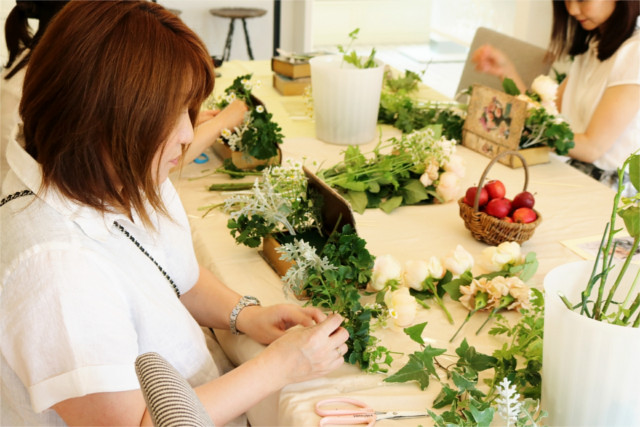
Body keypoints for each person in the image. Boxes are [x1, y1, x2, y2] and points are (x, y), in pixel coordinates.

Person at [0, 2, 349, 426]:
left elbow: (171, 272)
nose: (188, 135)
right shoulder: (57, 271)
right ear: (106, 119)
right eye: (174, 115)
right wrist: (279, 366)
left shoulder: (105, 175)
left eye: (190, 111)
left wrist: (248, 316)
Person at [0, 1, 246, 185]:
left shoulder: (33, 64)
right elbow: (135, 162)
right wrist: (221, 124)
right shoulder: (60, 81)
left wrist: (167, 117)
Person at [471, 0, 640, 191]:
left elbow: (592, 148)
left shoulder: (634, 53)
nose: (572, 9)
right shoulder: (594, 45)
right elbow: (547, 117)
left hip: (607, 193)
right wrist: (506, 71)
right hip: (572, 173)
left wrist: (513, 130)